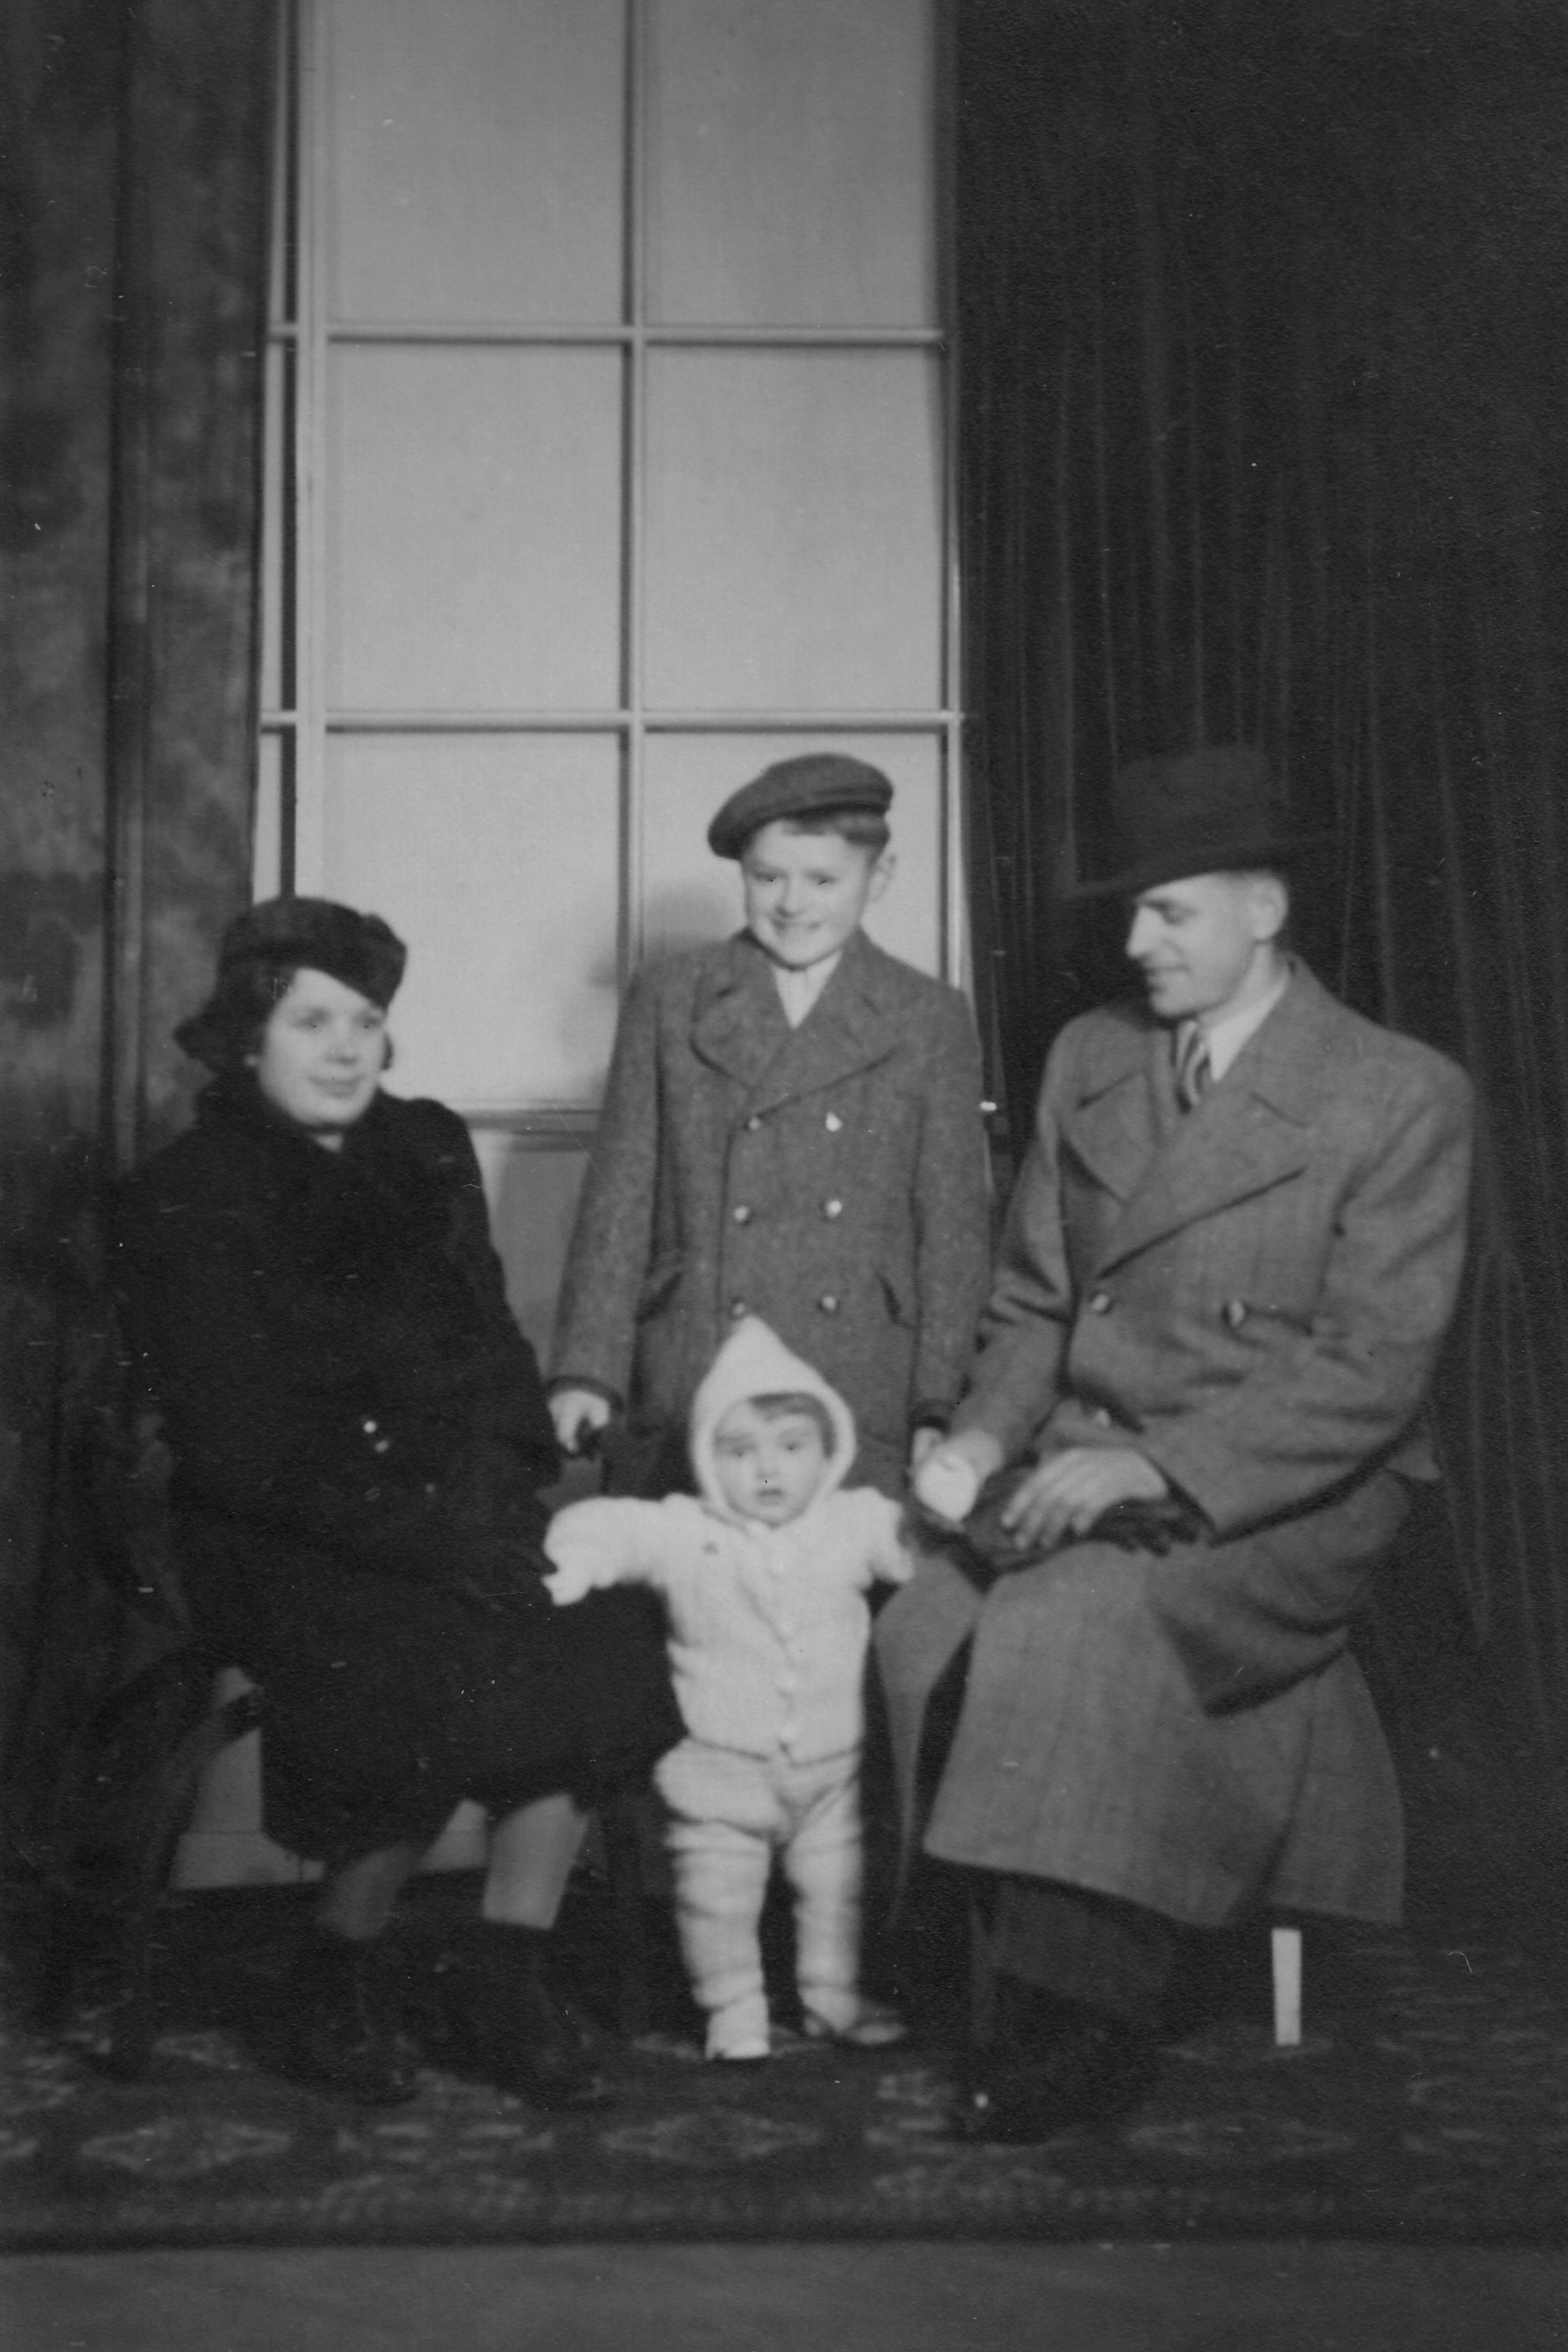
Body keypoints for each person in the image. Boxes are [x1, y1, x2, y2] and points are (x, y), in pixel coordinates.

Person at [878, 745, 1475, 2142]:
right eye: (1131, 912)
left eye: (1170, 910)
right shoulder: (1091, 1058)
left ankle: (1082, 2021)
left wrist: (1161, 1467)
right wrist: (976, 1437)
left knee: (1076, 1620)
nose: (1137, 940)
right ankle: (971, 1972)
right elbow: (1035, 1303)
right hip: (1080, 1453)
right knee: (919, 1623)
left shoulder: (1397, 1092)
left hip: (1288, 1487)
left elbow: (1372, 1371)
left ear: (1264, 909)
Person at [114, 899, 682, 2107]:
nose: (345, 1049)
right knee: (419, 1647)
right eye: (310, 1021)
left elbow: (493, 1349)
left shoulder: (424, 1147)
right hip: (279, 1529)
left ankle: (505, 1969)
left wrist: (498, 1496)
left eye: (365, 1021)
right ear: (246, 1037)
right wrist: (427, 1539)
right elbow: (237, 1446)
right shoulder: (185, 1190)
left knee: (596, 1627)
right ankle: (339, 1966)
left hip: (452, 1507)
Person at [547, 752, 992, 1499]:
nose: (791, 904)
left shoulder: (929, 1016)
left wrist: (939, 1402)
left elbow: (952, 1232)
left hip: (860, 1374)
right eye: (767, 877)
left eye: (823, 880)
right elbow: (619, 1201)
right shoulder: (671, 997)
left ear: (879, 877)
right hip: (695, 1361)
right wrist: (587, 1371)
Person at [543, 1316, 912, 2061]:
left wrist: (935, 1514)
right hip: (717, 1774)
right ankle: (733, 2009)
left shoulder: (852, 1522)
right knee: (717, 1899)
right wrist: (573, 1562)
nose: (768, 1471)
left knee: (837, 1891)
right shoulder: (686, 1529)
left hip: (830, 1773)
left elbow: (914, 1544)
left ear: (830, 1452)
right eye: (740, 1452)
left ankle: (831, 1997)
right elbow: (602, 1525)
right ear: (707, 1460)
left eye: (792, 1448)